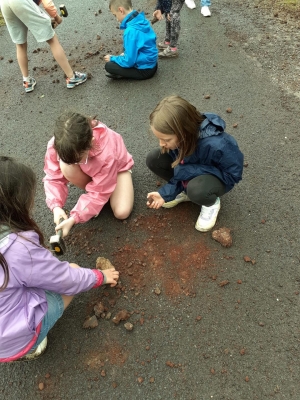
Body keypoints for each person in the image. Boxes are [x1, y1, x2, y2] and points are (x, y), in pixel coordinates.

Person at [0, 156, 119, 362]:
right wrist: (99, 277)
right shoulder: (19, 250)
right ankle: (30, 345)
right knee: (71, 267)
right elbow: (67, 279)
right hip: (12, 340)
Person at [146, 95, 244, 232]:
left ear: (183, 132)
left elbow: (233, 175)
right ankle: (184, 190)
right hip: (190, 169)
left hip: (217, 179)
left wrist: (193, 171)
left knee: (196, 189)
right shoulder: (181, 140)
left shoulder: (218, 145)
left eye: (166, 139)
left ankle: (211, 203)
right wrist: (165, 194)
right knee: (154, 159)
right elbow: (182, 168)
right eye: (159, 138)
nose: (161, 144)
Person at [43, 111, 134, 238]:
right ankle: (93, 203)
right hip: (94, 172)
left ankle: (98, 200)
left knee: (122, 212)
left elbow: (100, 192)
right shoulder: (59, 144)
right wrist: (56, 207)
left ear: (91, 142)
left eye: (78, 158)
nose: (75, 163)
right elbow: (53, 177)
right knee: (66, 167)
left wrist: (74, 218)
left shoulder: (107, 153)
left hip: (117, 170)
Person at [0, 0, 87, 92]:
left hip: (4, 3)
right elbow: (47, 4)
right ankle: (72, 77)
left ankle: (27, 82)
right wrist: (57, 17)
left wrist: (46, 22)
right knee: (52, 40)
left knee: (20, 44)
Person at [104, 0, 158, 80]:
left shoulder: (130, 31)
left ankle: (124, 74)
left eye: (115, 15)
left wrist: (113, 58)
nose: (116, 19)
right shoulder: (140, 18)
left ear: (121, 10)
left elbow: (129, 62)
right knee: (127, 48)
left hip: (145, 70)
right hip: (152, 63)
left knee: (109, 66)